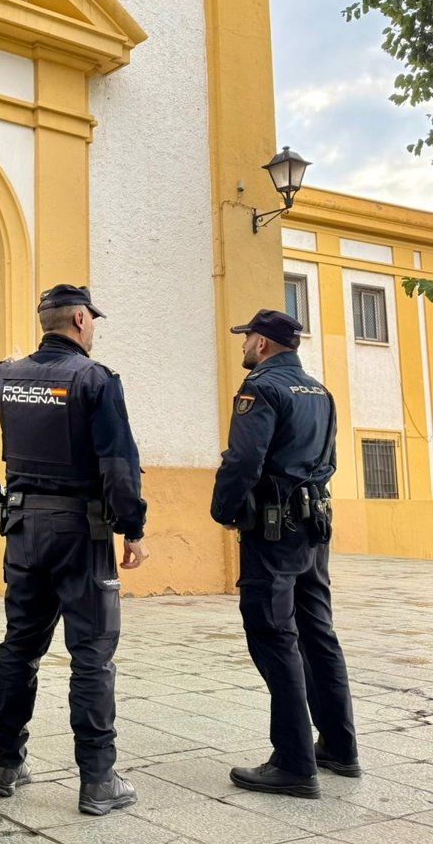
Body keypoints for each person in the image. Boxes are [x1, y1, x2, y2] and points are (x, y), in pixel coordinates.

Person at [0, 284, 148, 815]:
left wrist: (20, 372)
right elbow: (119, 466)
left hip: (24, 529)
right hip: (81, 532)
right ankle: (98, 780)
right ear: (79, 319)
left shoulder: (5, 377)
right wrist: (133, 528)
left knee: (19, 647)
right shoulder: (96, 380)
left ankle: (5, 765)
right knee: (92, 654)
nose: (93, 327)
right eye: (92, 319)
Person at [211, 308, 359, 798]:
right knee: (318, 634)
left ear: (263, 343)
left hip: (274, 531)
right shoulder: (320, 391)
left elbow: (244, 460)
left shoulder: (261, 388)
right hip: (314, 526)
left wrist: (224, 510)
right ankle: (339, 747)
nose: (243, 344)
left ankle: (294, 763)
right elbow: (329, 460)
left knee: (273, 634)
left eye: (247, 337)